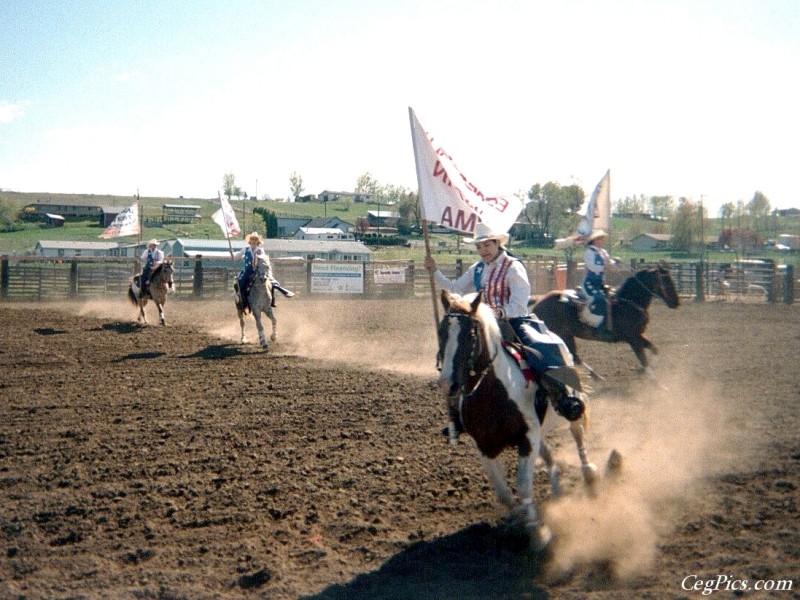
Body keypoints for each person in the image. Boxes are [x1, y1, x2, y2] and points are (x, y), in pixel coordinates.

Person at [425, 223, 587, 438]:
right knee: (460, 355)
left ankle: (562, 398)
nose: (484, 250)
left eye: (487, 244)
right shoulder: (478, 268)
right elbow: (455, 288)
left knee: (540, 349)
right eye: (480, 246)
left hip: (515, 321)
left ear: (497, 243)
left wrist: (499, 313)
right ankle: (458, 416)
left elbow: (519, 305)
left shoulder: (513, 267)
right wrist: (434, 270)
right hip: (486, 323)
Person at [232, 232, 294, 311]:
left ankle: (273, 299)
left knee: (272, 282)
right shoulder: (245, 249)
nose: (254, 241)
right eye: (252, 239)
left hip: (259, 271)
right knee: (240, 284)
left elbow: (263, 259)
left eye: (255, 239)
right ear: (250, 241)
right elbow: (237, 256)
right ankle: (242, 302)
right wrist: (233, 255)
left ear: (258, 241)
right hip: (248, 272)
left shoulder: (260, 250)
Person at [581, 230, 619, 329]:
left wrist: (614, 263)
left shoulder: (603, 252)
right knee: (599, 300)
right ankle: (595, 324)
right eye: (600, 239)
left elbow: (609, 262)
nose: (602, 241)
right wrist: (605, 267)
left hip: (600, 284)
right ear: (595, 240)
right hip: (590, 283)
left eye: (602, 239)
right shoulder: (589, 252)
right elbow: (592, 267)